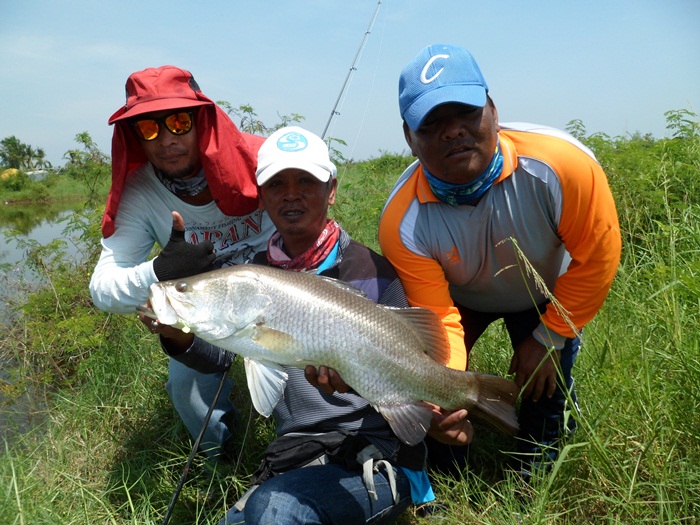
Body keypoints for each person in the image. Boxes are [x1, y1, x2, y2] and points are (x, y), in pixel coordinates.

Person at [160, 126, 469, 524]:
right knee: (267, 509)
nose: (292, 194)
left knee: (276, 511)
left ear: (332, 191)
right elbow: (219, 354)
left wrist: (438, 405)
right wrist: (174, 329)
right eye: (277, 184)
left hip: (373, 454)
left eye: (307, 181)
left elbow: (413, 369)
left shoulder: (374, 273)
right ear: (262, 195)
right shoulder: (248, 276)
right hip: (293, 459)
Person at [379, 44, 622, 476]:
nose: (453, 132)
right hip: (457, 301)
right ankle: (447, 470)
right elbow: (437, 314)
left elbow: (596, 259)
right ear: (408, 138)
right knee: (436, 387)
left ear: (493, 109)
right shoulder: (402, 220)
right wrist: (445, 391)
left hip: (544, 294)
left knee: (545, 389)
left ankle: (537, 468)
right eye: (432, 123)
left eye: (467, 113)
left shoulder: (562, 167)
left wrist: (550, 337)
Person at [89, 65, 275, 460]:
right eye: (149, 128)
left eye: (177, 121)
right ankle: (222, 455)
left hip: (277, 290)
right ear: (135, 135)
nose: (166, 140)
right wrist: (159, 271)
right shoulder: (140, 195)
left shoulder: (262, 160)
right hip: (202, 302)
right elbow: (102, 290)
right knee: (185, 384)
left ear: (201, 120)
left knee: (309, 369)